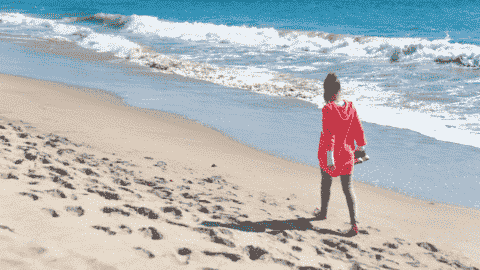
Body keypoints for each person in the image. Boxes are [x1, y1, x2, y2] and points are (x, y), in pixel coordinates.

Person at [315, 72, 367, 235]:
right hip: (347, 154)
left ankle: (323, 213)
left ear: (326, 92)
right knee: (348, 188)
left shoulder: (328, 109)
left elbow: (329, 133)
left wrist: (330, 156)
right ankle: (354, 224)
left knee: (326, 182)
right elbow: (358, 129)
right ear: (339, 90)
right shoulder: (350, 107)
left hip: (330, 153)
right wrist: (361, 148)